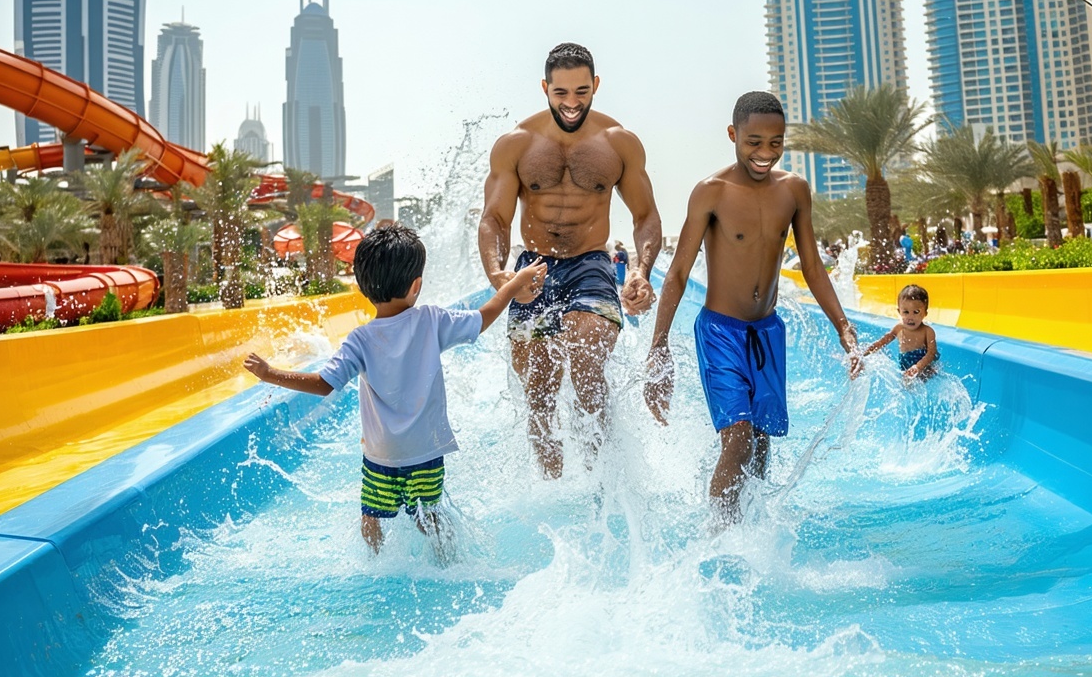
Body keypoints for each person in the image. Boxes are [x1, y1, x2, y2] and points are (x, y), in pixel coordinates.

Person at [244, 224, 549, 556]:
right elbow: (484, 316)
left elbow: (323, 384)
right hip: (427, 452)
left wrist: (270, 373)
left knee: (371, 521)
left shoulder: (359, 340)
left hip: (381, 456)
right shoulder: (432, 321)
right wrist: (516, 282)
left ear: (362, 287)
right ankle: (448, 562)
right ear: (416, 285)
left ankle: (377, 565)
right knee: (429, 517)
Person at [644, 91, 859, 524]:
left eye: (776, 142)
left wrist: (843, 327)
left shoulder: (794, 190)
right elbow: (679, 272)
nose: (765, 153)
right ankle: (717, 538)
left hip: (766, 332)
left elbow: (814, 266)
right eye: (754, 142)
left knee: (761, 443)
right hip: (721, 331)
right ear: (733, 136)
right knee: (738, 438)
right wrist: (658, 346)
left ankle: (751, 532)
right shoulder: (712, 192)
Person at [478, 42, 663, 478]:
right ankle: (555, 487)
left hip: (590, 265)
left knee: (587, 361)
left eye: (582, 91)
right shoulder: (516, 144)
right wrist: (499, 274)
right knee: (539, 392)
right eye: (561, 93)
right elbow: (495, 220)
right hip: (532, 269)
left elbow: (645, 215)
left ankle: (602, 481)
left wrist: (639, 269)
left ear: (595, 84)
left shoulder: (618, 143)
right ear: (545, 88)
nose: (572, 102)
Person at [863, 283, 939, 380]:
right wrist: (865, 353)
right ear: (899, 312)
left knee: (926, 376)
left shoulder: (928, 331)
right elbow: (883, 341)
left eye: (916, 312)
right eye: (906, 312)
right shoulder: (899, 328)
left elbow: (931, 353)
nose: (910, 317)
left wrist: (918, 367)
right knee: (906, 383)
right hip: (905, 364)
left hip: (924, 365)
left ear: (925, 313)